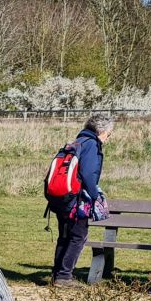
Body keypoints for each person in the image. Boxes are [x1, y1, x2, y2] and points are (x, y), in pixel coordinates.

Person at [51, 112, 113, 285]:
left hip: (62, 197)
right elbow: (87, 174)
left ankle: (57, 274)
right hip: (77, 199)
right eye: (109, 134)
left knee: (64, 235)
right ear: (102, 131)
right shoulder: (92, 145)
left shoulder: (77, 142)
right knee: (78, 236)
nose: (108, 137)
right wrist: (95, 195)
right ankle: (64, 277)